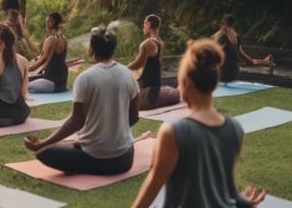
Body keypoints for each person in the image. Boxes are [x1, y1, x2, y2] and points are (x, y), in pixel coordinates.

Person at [89, 39, 268, 208]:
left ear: (184, 83)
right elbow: (227, 187)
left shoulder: (174, 130)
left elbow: (154, 183)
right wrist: (242, 200)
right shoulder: (234, 127)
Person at [24, 27, 139, 175]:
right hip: (125, 159)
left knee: (44, 152)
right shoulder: (128, 74)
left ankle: (81, 164)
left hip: (94, 156)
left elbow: (77, 120)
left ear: (91, 49)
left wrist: (43, 143)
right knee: (69, 146)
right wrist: (114, 132)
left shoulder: (85, 78)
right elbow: (134, 116)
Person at [127, 14, 181, 110]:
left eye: (144, 23)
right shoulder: (160, 43)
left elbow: (137, 64)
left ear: (148, 24)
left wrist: (124, 68)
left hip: (146, 95)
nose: (143, 25)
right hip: (154, 91)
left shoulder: (147, 43)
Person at [213, 14, 275, 83]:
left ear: (222, 23)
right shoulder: (236, 36)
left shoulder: (218, 35)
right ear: (233, 24)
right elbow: (249, 60)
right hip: (233, 74)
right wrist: (264, 62)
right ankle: (267, 62)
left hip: (221, 75)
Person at [27, 12, 70, 93]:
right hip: (62, 83)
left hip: (51, 82)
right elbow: (52, 60)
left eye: (47, 22)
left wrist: (27, 69)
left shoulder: (50, 39)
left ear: (51, 22)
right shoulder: (64, 39)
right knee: (30, 79)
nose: (46, 25)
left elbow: (42, 60)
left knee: (21, 83)